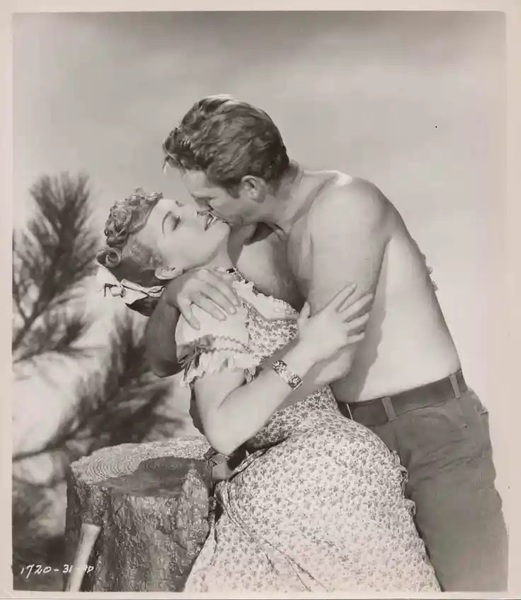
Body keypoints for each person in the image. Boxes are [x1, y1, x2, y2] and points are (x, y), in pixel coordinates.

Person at [143, 95, 508, 592]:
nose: (204, 211)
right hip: (353, 440)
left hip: (427, 429)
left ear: (250, 186)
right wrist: (174, 295)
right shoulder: (248, 236)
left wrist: (234, 417)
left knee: (473, 589)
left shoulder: (344, 207)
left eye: (209, 201)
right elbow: (161, 361)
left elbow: (333, 356)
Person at [96, 188, 440, 592]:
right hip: (306, 499)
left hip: (337, 489)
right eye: (174, 222)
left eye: (180, 206)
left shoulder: (247, 283)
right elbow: (224, 428)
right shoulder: (209, 306)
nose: (193, 211)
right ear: (169, 268)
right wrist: (308, 348)